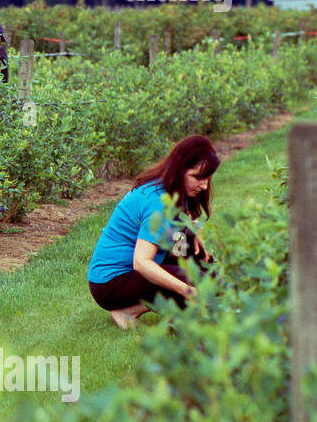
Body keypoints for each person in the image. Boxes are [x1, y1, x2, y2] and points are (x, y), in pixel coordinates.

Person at [87, 135, 220, 329]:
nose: (204, 185)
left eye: (208, 178)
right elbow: (141, 263)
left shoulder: (173, 187)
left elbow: (180, 223)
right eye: (198, 177)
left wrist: (195, 229)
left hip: (131, 274)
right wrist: (186, 290)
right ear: (180, 168)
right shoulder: (156, 201)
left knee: (207, 272)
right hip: (112, 283)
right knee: (196, 285)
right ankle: (169, 310)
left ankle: (133, 310)